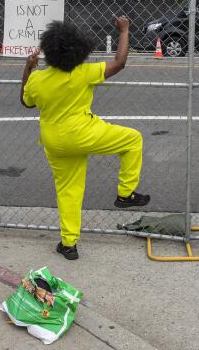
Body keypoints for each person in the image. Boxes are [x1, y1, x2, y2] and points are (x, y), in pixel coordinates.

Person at [21, 17, 150, 261]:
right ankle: (125, 193)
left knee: (68, 190)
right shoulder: (83, 72)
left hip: (54, 142)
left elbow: (25, 102)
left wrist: (28, 68)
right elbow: (119, 62)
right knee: (133, 140)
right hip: (84, 133)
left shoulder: (38, 79)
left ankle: (69, 244)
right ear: (79, 50)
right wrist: (124, 30)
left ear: (48, 51)